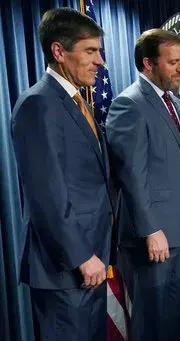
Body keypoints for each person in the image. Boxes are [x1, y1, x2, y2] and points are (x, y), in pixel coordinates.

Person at [11, 8, 112, 341]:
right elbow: (46, 195)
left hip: (89, 261)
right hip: (66, 268)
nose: (100, 61)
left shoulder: (72, 102)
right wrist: (82, 256)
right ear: (58, 51)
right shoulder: (38, 104)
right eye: (90, 51)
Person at [106, 29, 180, 341]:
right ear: (148, 64)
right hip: (150, 237)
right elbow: (132, 175)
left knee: (175, 317)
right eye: (173, 62)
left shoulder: (175, 103)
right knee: (151, 323)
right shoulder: (129, 104)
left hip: (179, 229)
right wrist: (150, 230)